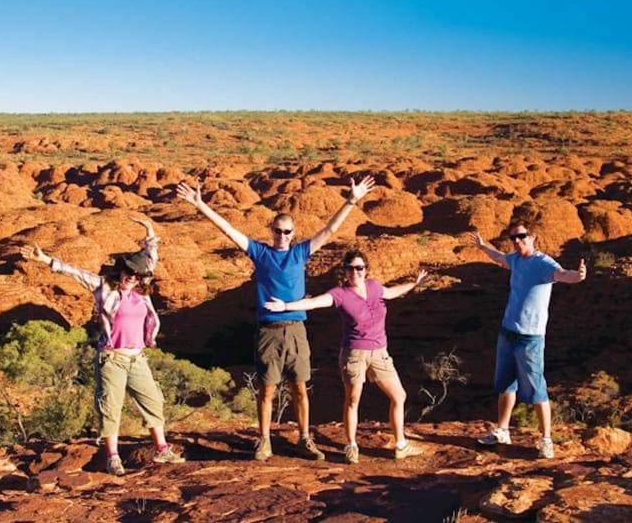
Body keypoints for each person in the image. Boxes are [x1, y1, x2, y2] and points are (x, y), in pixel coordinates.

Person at [176, 175, 375, 461]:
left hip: (296, 330)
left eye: (287, 232)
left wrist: (351, 201)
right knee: (267, 389)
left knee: (299, 388)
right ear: (272, 230)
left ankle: (304, 439)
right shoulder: (260, 253)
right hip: (269, 330)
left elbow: (330, 230)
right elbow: (228, 230)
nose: (282, 236)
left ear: (293, 233)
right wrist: (200, 205)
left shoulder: (300, 253)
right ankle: (264, 440)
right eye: (278, 231)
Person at [19, 218, 184, 476]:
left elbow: (150, 260)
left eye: (136, 275)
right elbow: (75, 272)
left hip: (137, 358)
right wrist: (45, 259)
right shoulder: (104, 287)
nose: (131, 277)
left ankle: (161, 449)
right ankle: (112, 458)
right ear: (120, 271)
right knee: (110, 407)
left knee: (153, 402)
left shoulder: (141, 291)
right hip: (112, 359)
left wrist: (150, 232)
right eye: (128, 273)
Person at [264, 250, 427, 464]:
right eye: (350, 268)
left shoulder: (374, 287)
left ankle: (401, 445)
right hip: (354, 354)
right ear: (345, 271)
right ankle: (351, 445)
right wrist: (285, 306)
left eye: (359, 268)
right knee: (353, 400)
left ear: (366, 269)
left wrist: (414, 283)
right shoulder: (340, 294)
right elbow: (314, 302)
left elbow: (391, 292)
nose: (354, 272)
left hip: (380, 353)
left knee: (399, 396)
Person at [468, 222, 587, 459]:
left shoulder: (543, 263)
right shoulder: (515, 259)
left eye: (521, 236)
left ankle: (546, 440)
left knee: (537, 389)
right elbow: (500, 257)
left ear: (533, 237)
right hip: (507, 332)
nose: (517, 241)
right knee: (505, 386)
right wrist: (482, 246)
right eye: (513, 238)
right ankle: (502, 431)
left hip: (530, 337)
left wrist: (578, 276)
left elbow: (563, 275)